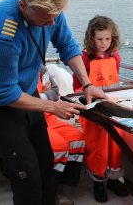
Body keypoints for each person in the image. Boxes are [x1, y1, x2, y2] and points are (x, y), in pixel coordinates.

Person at [0, 0, 107, 205]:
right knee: (25, 171)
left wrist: (87, 84)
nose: (53, 22)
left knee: (44, 159)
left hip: (27, 89)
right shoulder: (0, 32)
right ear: (23, 6)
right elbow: (3, 93)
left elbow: (67, 45)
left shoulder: (51, 10)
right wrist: (52, 107)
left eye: (56, 14)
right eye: (45, 18)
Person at [73, 15, 128, 203]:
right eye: (99, 39)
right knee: (98, 147)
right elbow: (76, 87)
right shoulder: (84, 58)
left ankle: (113, 179)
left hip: (111, 107)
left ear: (113, 38)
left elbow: (116, 82)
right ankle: (98, 181)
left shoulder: (115, 57)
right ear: (91, 37)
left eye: (107, 39)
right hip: (91, 110)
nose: (104, 43)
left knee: (115, 146)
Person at [38, 65, 85, 205]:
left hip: (48, 114)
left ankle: (59, 186)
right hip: (30, 119)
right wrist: (45, 96)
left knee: (77, 138)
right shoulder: (14, 67)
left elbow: (55, 91)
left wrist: (44, 96)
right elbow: (20, 97)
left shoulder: (40, 69)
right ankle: (47, 192)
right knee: (59, 147)